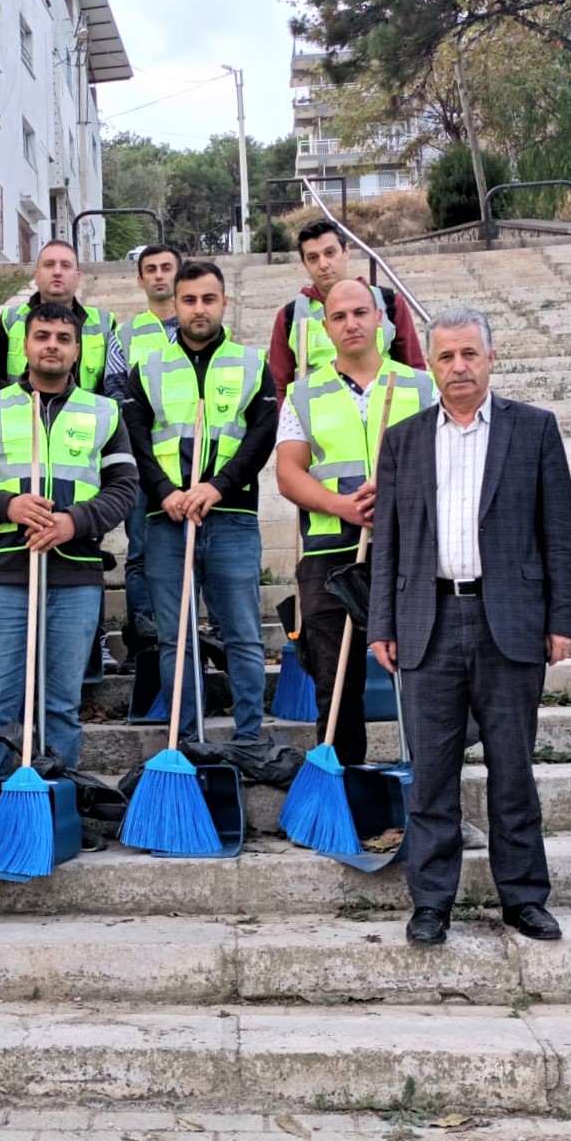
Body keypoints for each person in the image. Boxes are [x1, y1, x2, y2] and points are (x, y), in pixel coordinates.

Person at [368, 306, 571, 947]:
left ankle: (524, 899)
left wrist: (562, 618)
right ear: (430, 365)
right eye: (445, 357)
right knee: (431, 774)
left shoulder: (534, 430)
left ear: (490, 358)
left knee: (512, 769)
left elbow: (559, 532)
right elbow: (390, 542)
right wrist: (383, 620)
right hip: (427, 621)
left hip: (509, 621)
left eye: (469, 354)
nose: (458, 367)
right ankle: (432, 902)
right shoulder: (404, 438)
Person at [0, 303, 139, 863]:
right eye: (42, 336)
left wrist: (75, 522)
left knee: (60, 706)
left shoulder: (103, 412)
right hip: (3, 575)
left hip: (74, 578)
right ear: (24, 345)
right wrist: (9, 505)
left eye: (63, 338)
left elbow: (124, 487)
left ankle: (56, 813)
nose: (52, 345)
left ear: (77, 349)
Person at [276, 279, 435, 769]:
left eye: (361, 313)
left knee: (424, 674)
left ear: (381, 320)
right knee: (336, 682)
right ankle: (343, 793)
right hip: (328, 552)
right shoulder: (303, 394)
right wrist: (342, 505)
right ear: (326, 328)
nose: (351, 323)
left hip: (409, 549)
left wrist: (397, 496)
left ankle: (429, 790)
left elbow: (446, 462)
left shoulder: (420, 386)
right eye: (339, 316)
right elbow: (288, 473)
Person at [121, 260, 276, 748]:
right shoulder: (148, 368)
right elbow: (136, 438)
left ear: (224, 303)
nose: (198, 309)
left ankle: (249, 737)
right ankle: (184, 737)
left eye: (208, 299)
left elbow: (261, 437)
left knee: (243, 634)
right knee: (175, 637)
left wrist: (218, 486)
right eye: (189, 300)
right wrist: (164, 490)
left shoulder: (252, 364)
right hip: (167, 520)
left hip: (230, 516)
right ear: (176, 304)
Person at [104, 244, 182, 668]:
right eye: (150, 269)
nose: (158, 276)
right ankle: (142, 637)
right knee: (139, 552)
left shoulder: (197, 329)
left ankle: (182, 635)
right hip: (138, 458)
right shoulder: (127, 334)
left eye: (166, 268)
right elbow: (114, 387)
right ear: (139, 279)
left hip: (186, 461)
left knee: (190, 549)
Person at [266, 219, 427, 404]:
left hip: (386, 418)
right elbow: (279, 387)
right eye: (313, 258)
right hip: (319, 424)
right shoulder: (290, 316)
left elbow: (415, 370)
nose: (323, 264)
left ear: (346, 252)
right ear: (304, 264)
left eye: (330, 253)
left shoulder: (390, 303)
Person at [0, 240, 117, 398]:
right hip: (19, 418)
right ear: (36, 275)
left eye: (65, 265)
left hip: (86, 419)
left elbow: (112, 386)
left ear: (77, 277)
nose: (57, 272)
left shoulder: (104, 324)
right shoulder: (10, 320)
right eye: (49, 265)